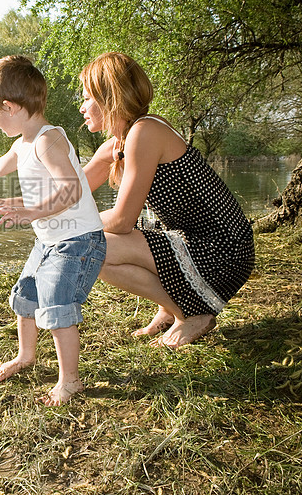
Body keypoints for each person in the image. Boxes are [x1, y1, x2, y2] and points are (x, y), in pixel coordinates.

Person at [0, 55, 106, 405]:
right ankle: (26, 355)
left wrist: (32, 211)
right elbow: (2, 166)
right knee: (26, 295)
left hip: (77, 241)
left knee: (57, 304)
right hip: (50, 241)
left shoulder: (48, 140)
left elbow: (72, 190)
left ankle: (70, 381)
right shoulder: (23, 142)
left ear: (9, 107)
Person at [78, 52, 254, 348]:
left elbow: (122, 222)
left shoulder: (145, 132)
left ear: (110, 97)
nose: (82, 107)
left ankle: (191, 313)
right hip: (197, 242)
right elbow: (72, 191)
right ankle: (169, 310)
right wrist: (17, 205)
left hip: (223, 251)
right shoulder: (119, 143)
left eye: (87, 98)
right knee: (91, 245)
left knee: (92, 245)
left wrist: (69, 224)